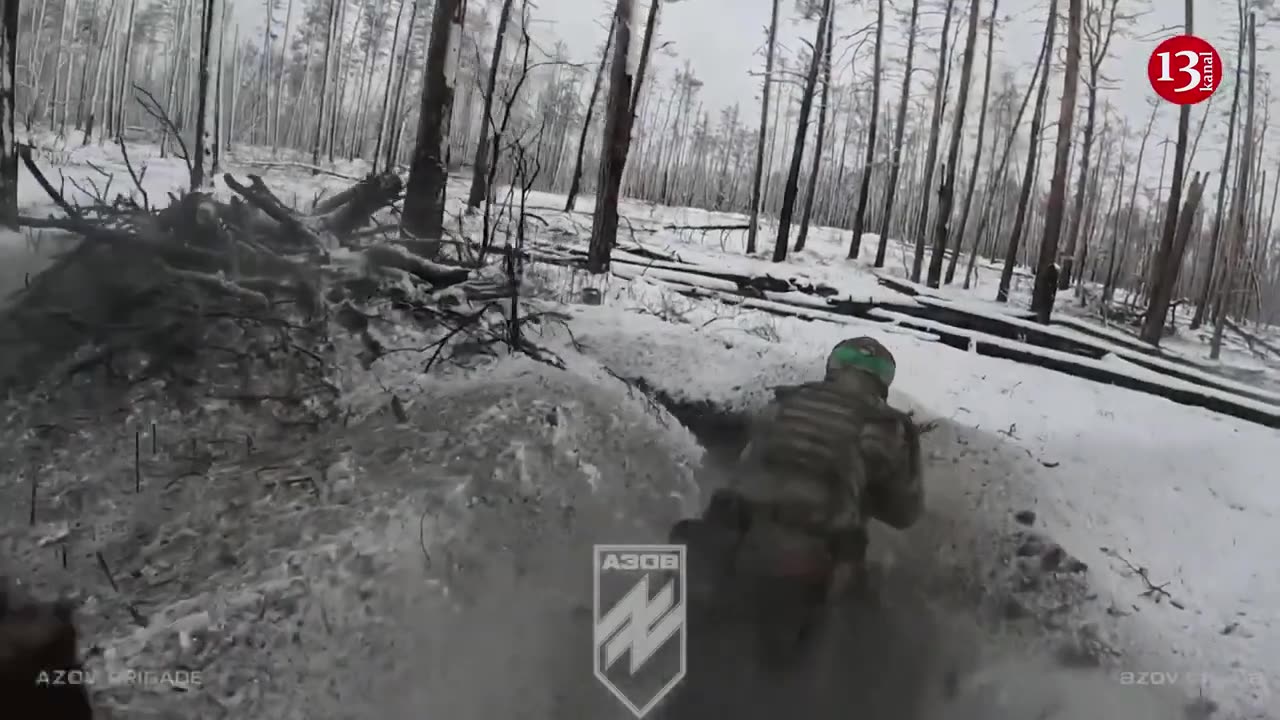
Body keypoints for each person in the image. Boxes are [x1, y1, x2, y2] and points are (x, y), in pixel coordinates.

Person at [690, 336, 923, 604]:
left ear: (833, 366)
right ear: (883, 381)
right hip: (821, 542)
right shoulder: (889, 425)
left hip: (744, 527)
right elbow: (904, 513)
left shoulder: (784, 400)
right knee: (870, 606)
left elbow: (746, 460)